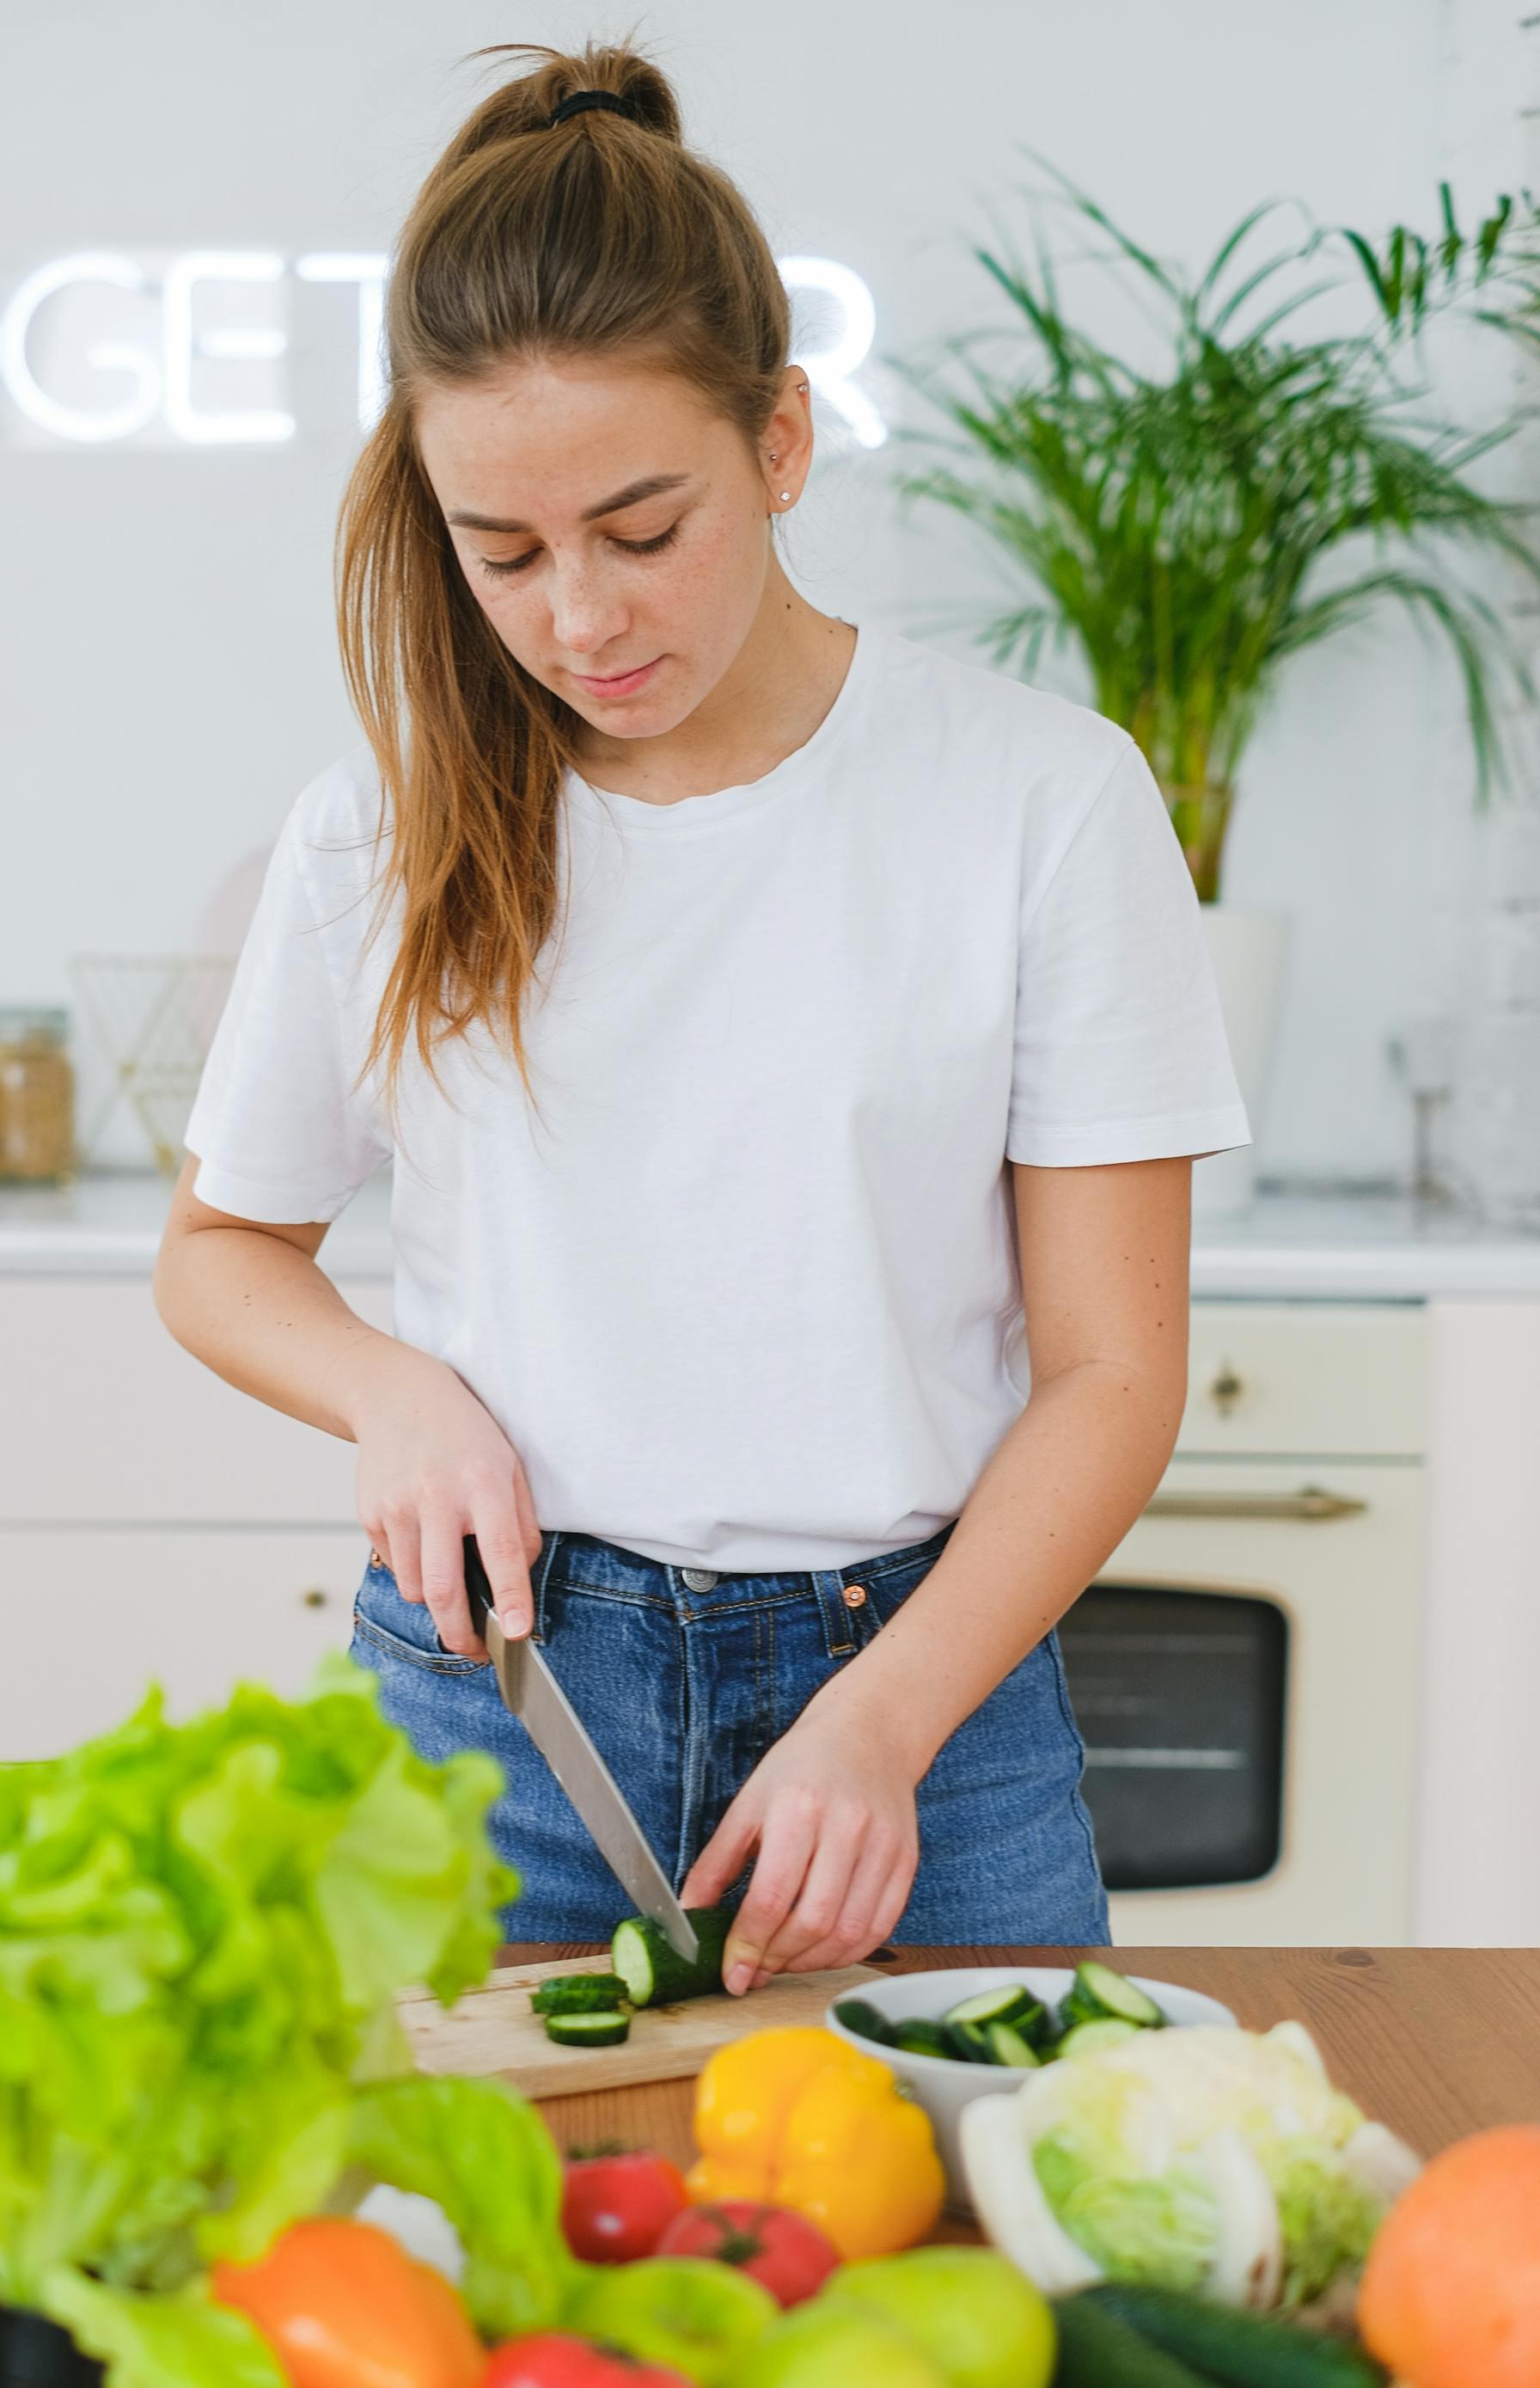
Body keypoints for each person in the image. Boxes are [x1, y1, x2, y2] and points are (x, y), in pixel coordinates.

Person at [155, 40, 1249, 1993]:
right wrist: (393, 1390)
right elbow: (224, 1254)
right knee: (447, 2274)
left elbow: (1112, 1373)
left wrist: (888, 1719)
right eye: (503, 554)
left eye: (640, 529)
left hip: (929, 1704)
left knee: (990, 2264)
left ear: (782, 442)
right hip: (494, 1710)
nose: (579, 618)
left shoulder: (1039, 801)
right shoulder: (386, 828)